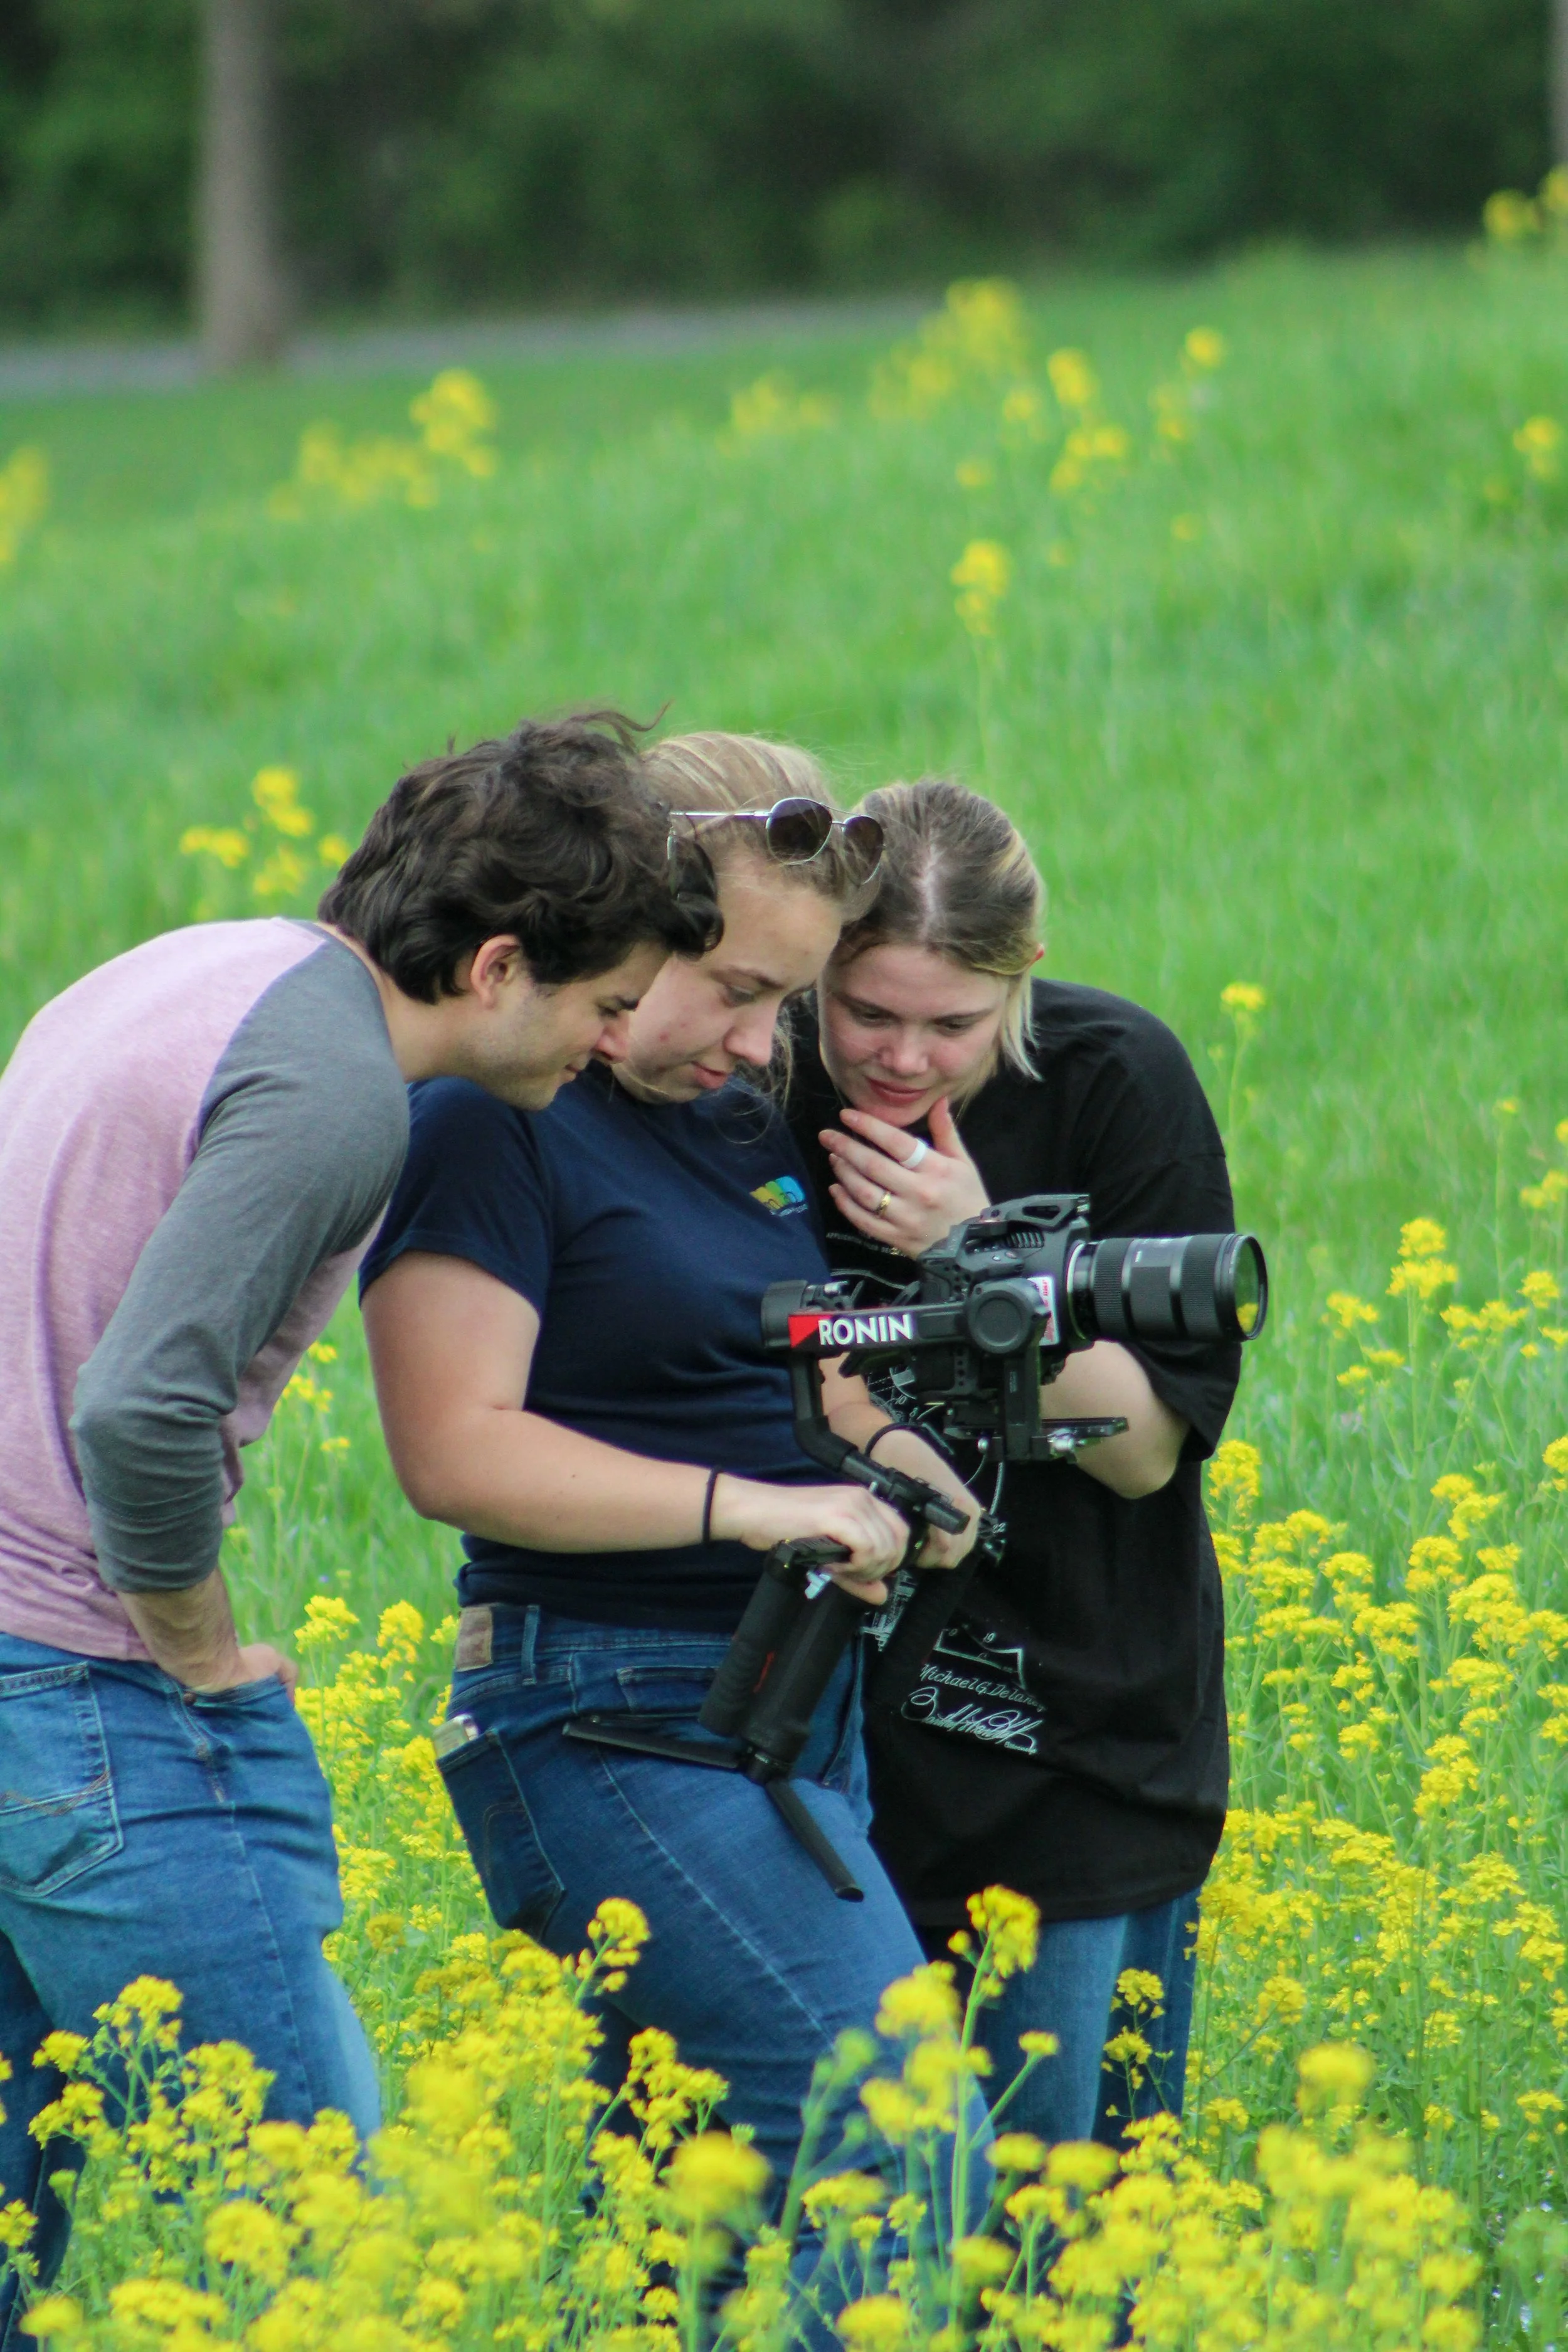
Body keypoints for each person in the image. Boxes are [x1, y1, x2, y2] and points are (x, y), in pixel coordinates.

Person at [0, 711, 715, 2334]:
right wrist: (196, 1649)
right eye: (605, 1004)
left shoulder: (199, 964)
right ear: (499, 962)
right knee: (316, 2224)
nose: (608, 1045)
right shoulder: (337, 1095)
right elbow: (140, 1403)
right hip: (80, 1683)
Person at [360, 733, 986, 2219]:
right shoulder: (490, 1118)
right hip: (612, 1718)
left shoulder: (721, 1126)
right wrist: (756, 1510)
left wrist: (911, 1483)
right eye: (738, 989)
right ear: (638, 928)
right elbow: (453, 1449)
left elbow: (807, 1385)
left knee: (686, 2221)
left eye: (784, 1002)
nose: (763, 1045)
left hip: (783, 1704)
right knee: (896, 2145)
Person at [785, 777, 1244, 2151]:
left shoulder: (1114, 1080)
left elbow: (1145, 1450)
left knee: (1075, 2209)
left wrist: (977, 1257)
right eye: (864, 1011)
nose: (903, 1060)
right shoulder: (755, 1079)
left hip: (1084, 1718)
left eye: (950, 1025)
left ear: (1020, 979)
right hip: (833, 1721)